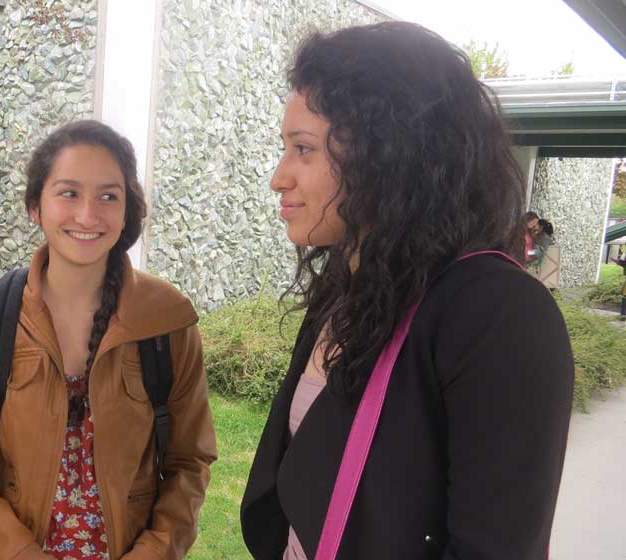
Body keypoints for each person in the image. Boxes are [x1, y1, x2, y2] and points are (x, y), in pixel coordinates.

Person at [241, 22, 573, 559]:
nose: (280, 177)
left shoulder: (498, 317)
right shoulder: (349, 287)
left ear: (388, 153)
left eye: (303, 149)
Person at [0, 120, 218, 560]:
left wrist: (154, 552)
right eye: (69, 193)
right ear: (36, 206)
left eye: (109, 196)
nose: (88, 215)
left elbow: (190, 461)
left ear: (126, 212)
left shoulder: (167, 320)